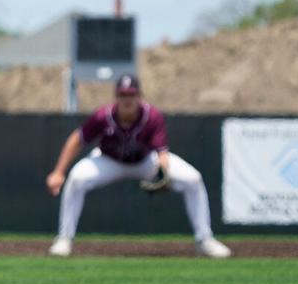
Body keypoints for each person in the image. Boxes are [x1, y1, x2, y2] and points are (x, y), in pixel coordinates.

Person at [45, 74, 231, 258]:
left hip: (144, 161)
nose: (128, 99)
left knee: (192, 179)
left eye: (131, 95)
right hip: (109, 161)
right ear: (116, 97)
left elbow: (162, 153)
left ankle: (204, 240)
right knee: (77, 178)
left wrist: (164, 174)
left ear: (139, 96)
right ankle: (64, 239)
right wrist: (58, 172)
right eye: (123, 95)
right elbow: (77, 139)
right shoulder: (103, 116)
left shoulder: (152, 116)